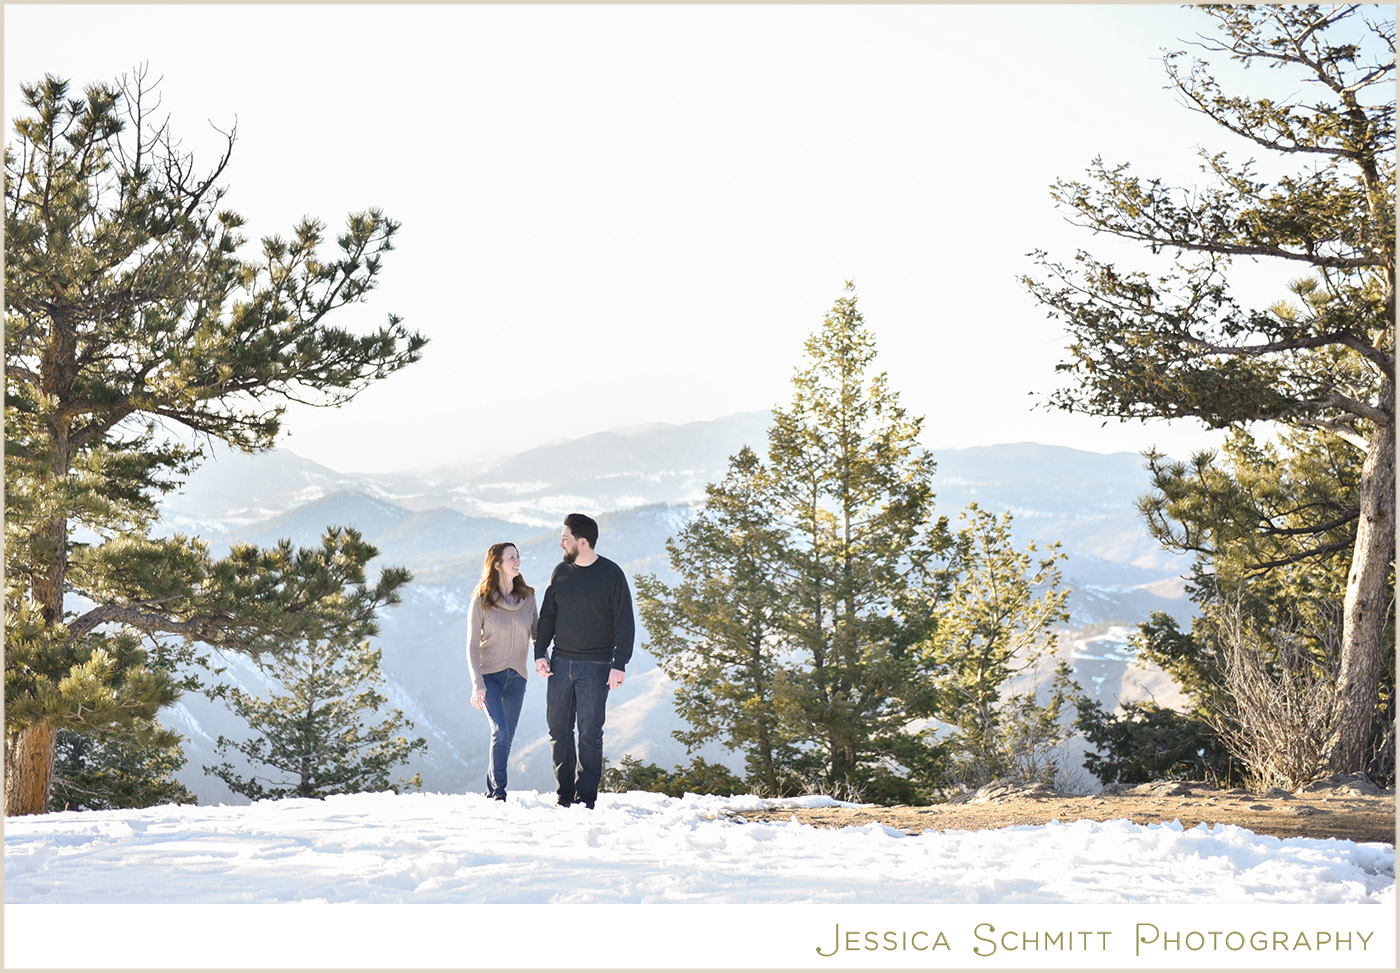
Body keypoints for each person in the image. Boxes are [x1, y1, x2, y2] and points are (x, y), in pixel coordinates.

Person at [534, 512, 634, 809]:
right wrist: (541, 653)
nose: (560, 544)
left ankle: (585, 798)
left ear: (583, 542)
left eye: (565, 539)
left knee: (589, 734)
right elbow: (548, 616)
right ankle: (565, 796)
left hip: (597, 666)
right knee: (558, 730)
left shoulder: (611, 574)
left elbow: (624, 622)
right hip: (560, 664)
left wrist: (620, 663)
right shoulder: (560, 573)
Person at [465, 542, 538, 801]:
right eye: (511, 558)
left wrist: (543, 658)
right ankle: (499, 793)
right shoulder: (481, 600)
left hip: (518, 677)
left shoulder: (528, 597)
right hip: (490, 677)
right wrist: (477, 684)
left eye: (518, 556)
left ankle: (491, 790)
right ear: (497, 564)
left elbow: (536, 635)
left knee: (506, 738)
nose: (517, 561)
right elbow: (472, 646)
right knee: (500, 731)